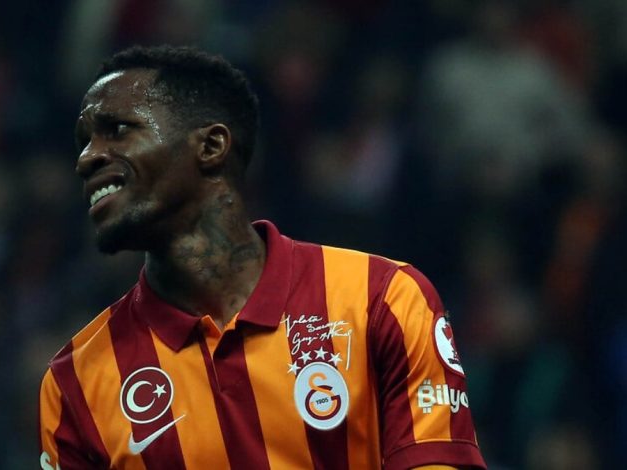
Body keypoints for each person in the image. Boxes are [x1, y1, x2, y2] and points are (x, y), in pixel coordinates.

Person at [38, 45, 486, 470]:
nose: (86, 158)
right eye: (84, 141)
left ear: (211, 146)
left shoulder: (381, 300)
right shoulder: (76, 383)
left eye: (117, 130)